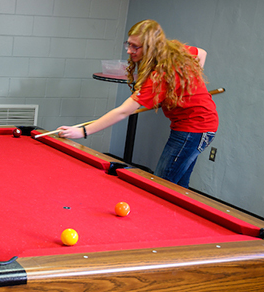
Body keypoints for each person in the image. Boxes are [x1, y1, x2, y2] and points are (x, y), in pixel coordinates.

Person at [57, 20, 218, 188]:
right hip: (195, 125)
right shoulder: (174, 51)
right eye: (128, 44)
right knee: (179, 186)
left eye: (135, 47)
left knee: (160, 185)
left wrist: (82, 131)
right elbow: (201, 54)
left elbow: (122, 111)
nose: (129, 50)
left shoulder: (160, 76)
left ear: (151, 47)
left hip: (195, 129)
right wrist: (185, 85)